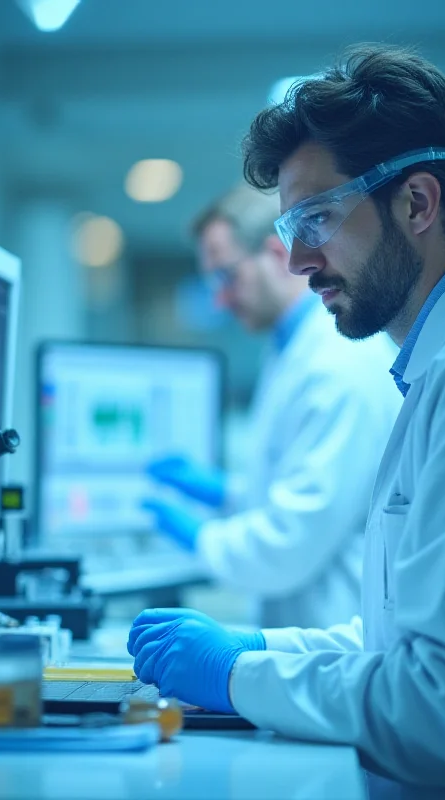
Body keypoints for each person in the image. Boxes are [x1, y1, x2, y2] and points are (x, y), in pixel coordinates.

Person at [128, 44, 445, 799]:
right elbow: (401, 637)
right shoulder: (444, 367)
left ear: (417, 203)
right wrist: (263, 648)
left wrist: (238, 673)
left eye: (317, 217)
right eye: (287, 231)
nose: (300, 259)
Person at [143, 182, 401, 629]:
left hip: (336, 635)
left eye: (226, 277)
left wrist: (200, 537)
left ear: (277, 255)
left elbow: (292, 540)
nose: (220, 300)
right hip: (304, 627)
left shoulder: (338, 363)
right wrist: (229, 493)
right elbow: (307, 487)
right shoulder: (290, 349)